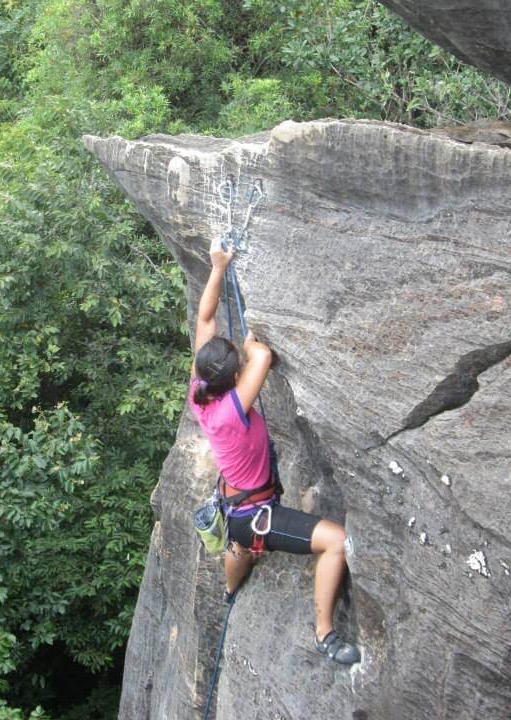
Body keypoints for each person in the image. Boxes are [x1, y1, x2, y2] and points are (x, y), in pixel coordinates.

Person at [186, 236, 360, 666]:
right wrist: (248, 344)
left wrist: (218, 266)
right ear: (234, 379)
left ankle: (230, 589)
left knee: (239, 548)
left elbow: (205, 317)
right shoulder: (230, 410)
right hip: (256, 515)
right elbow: (261, 356)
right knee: (334, 542)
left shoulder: (200, 391)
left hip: (235, 506)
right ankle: (324, 633)